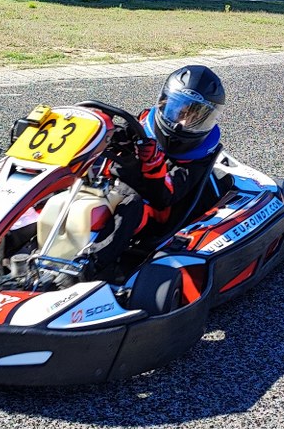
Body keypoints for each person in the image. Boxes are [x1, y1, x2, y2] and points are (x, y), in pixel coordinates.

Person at [85, 65, 226, 281]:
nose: (182, 123)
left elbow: (167, 195)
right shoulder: (144, 124)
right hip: (108, 186)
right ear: (165, 102)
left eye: (196, 117)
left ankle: (89, 266)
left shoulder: (199, 156)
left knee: (130, 203)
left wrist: (152, 163)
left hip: (154, 210)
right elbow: (120, 135)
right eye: (180, 111)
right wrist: (105, 132)